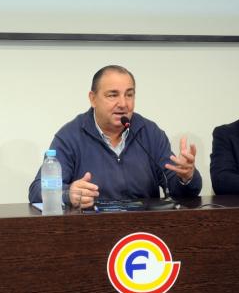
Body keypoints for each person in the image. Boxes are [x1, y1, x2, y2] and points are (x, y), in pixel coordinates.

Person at [28, 65, 202, 208]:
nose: (123, 104)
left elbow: (179, 192)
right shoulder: (70, 136)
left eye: (129, 95)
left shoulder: (150, 133)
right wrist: (68, 194)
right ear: (93, 99)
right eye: (113, 95)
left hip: (144, 231)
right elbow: (37, 190)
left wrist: (186, 177)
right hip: (92, 229)